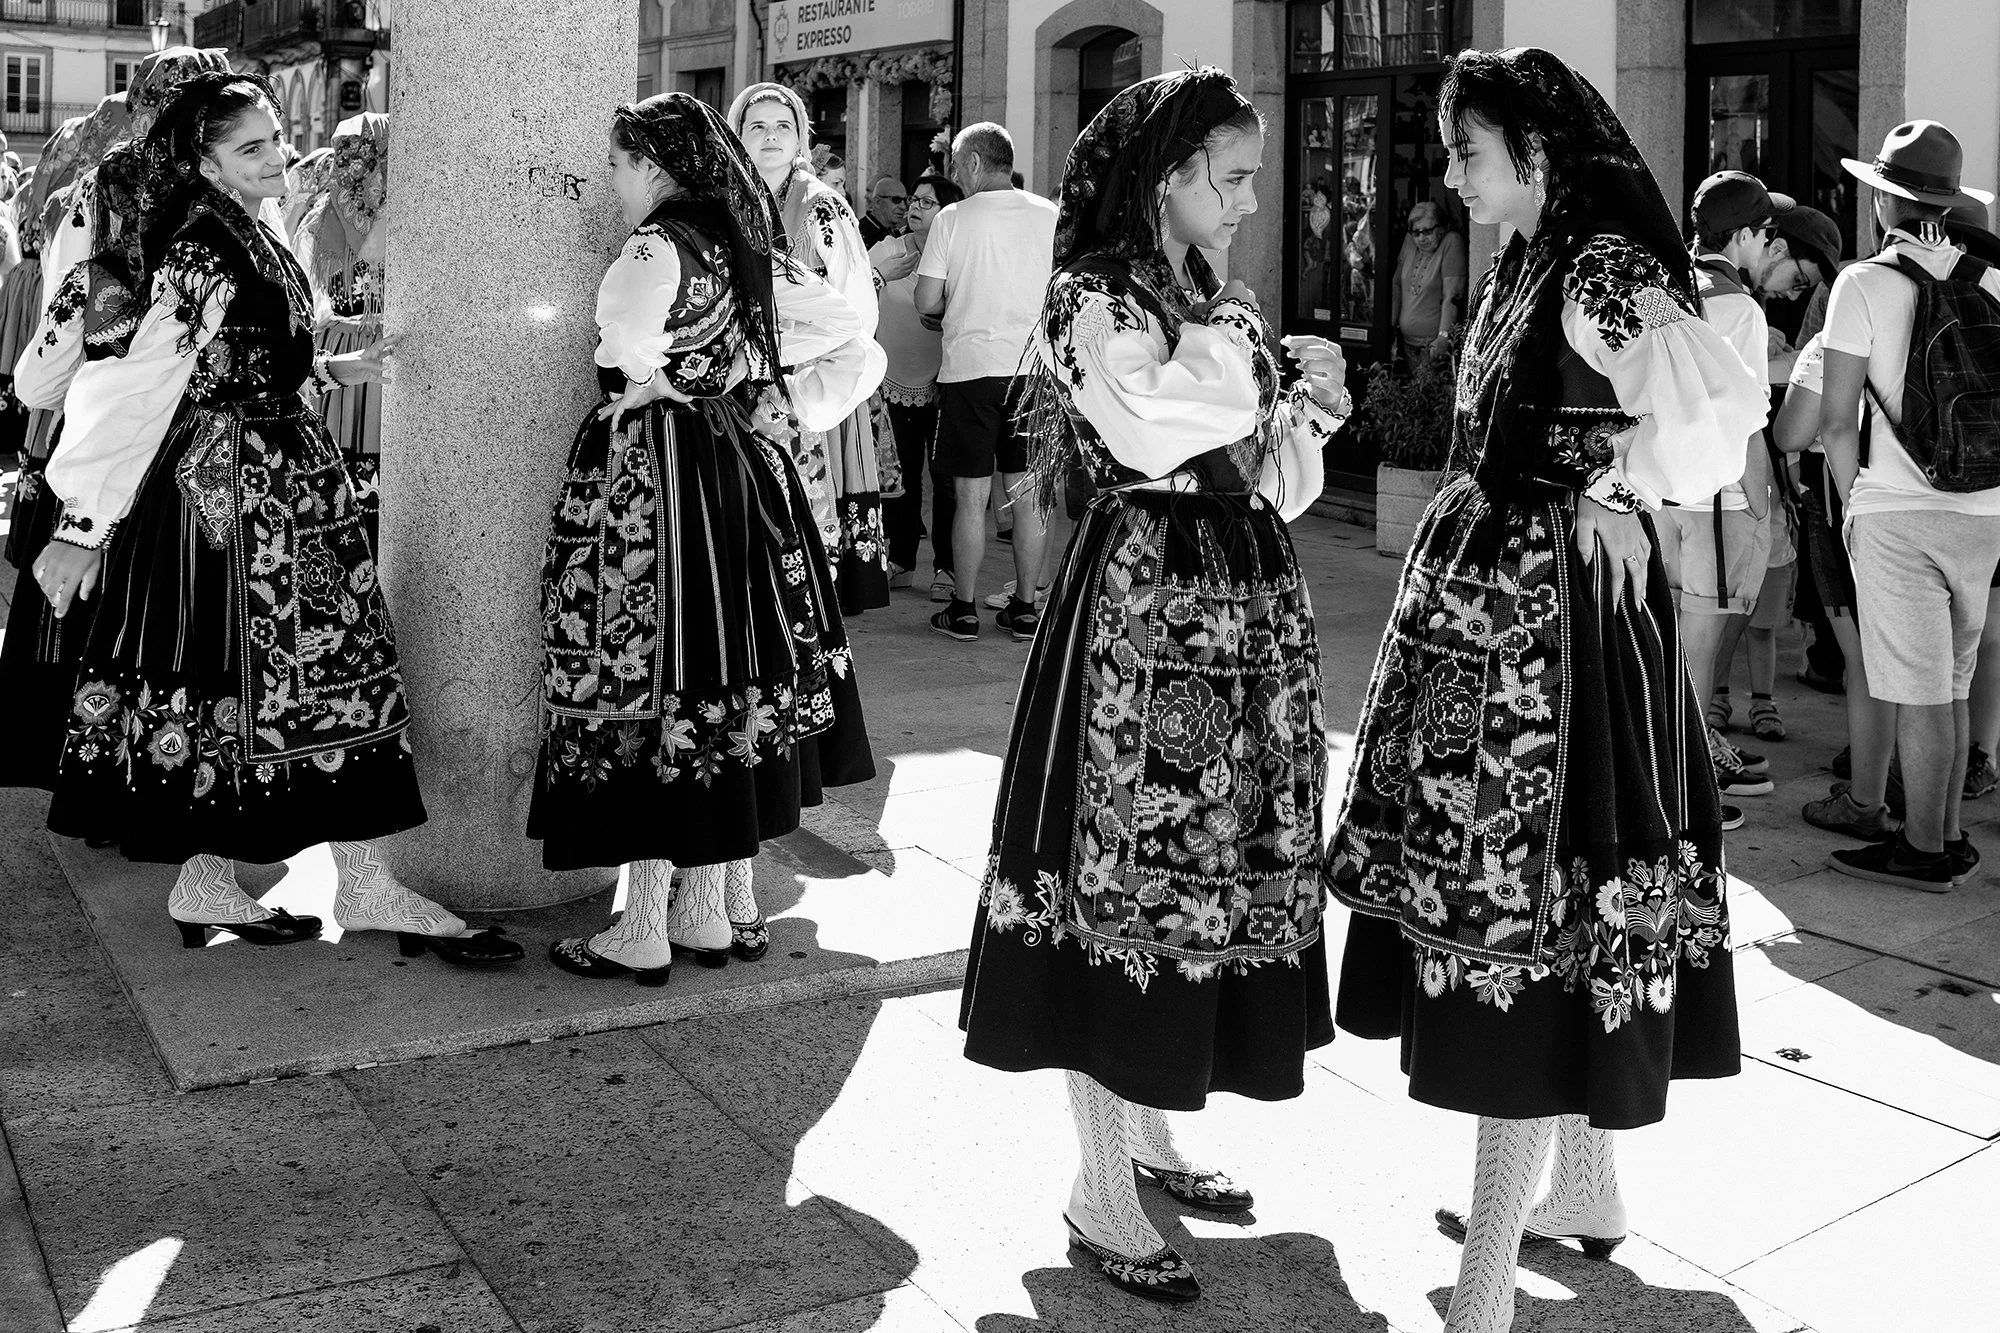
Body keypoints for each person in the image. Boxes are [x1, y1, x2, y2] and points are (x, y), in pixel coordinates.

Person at [1326, 48, 1760, 1333]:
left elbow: (1707, 402)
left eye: (1468, 153)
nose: (1451, 176)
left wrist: (1619, 487)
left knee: (1518, 909)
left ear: (1537, 156)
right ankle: (1585, 1182)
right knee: (1537, 895)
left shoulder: (1594, 272)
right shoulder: (1531, 263)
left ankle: (1483, 1289)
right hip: (1499, 608)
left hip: (1545, 637)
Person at [959, 67, 1350, 1303]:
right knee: (1122, 866)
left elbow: (1264, 477)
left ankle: (1148, 1128)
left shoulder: (1198, 304)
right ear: (1166, 174)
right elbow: (1144, 431)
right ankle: (1096, 1178)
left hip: (1239, 594)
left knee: (1209, 864)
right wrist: (1256, 365)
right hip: (1141, 605)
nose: (1245, 203)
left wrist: (1306, 419)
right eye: (1228, 177)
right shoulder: (1090, 295)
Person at [20, 72, 519, 966]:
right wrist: (80, 527)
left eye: (276, 136)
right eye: (251, 146)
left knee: (304, 683)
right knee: (287, 682)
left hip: (288, 485)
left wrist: (340, 366)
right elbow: (133, 385)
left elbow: (254, 356)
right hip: (235, 503)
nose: (276, 154)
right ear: (204, 162)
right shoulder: (200, 249)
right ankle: (319, 882)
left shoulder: (252, 228)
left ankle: (271, 881)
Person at [531, 93, 878, 981]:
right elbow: (847, 325)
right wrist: (753, 382)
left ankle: (643, 923)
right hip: (732, 465)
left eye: (617, 166)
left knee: (644, 676)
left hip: (651, 477)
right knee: (717, 667)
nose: (612, 184)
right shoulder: (738, 241)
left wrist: (660, 380)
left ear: (651, 165)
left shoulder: (653, 247)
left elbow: (624, 349)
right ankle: (710, 908)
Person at [1820, 120, 2000, 891]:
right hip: (1985, 511)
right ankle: (1947, 832)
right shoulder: (1983, 280)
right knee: (1952, 685)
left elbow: (1833, 421)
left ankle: (1923, 848)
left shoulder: (1862, 283)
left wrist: (1850, 502)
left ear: (1882, 201)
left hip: (1898, 509)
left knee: (1919, 692)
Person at [728, 82, 890, 615]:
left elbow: (857, 311)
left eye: (783, 126)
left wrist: (812, 382)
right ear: (738, 133)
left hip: (804, 388)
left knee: (803, 510)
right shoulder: (727, 203)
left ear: (800, 136)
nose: (770, 137)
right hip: (734, 384)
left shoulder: (821, 207)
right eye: (758, 126)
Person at [913, 123, 1055, 642]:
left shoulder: (953, 218)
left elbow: (927, 301)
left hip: (971, 371)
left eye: (954, 164)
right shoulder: (1050, 216)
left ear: (973, 163)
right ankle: (1023, 607)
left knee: (971, 498)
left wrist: (953, 308)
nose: (953, 174)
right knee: (1029, 495)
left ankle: (966, 608)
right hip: (1035, 372)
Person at [1671, 170, 1784, 817]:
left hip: (1662, 497)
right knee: (1700, 653)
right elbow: (1745, 416)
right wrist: (1760, 503)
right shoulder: (1740, 307)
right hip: (1716, 500)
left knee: (1671, 646)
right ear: (1739, 234)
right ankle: (1686, 793)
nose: (1766, 243)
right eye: (1764, 232)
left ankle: (1693, 757)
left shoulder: (1666, 288)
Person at [1778, 331, 1903, 841]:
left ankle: (1867, 801)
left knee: (1865, 661)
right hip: (1958, 505)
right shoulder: (1967, 309)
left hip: (1855, 508)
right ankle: (1929, 813)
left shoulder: (1840, 335)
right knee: (1940, 669)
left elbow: (1794, 432)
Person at [293, 113, 387, 546]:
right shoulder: (408, 217)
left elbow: (307, 295)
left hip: (335, 346)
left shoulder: (319, 218)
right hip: (384, 350)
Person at [870, 172, 961, 589]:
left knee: (947, 480)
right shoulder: (887, 251)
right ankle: (901, 560)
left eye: (927, 203)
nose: (915, 209)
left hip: (945, 380)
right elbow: (857, 297)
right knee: (901, 475)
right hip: (893, 378)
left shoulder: (960, 255)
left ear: (949, 213)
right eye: (915, 201)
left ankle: (947, 566)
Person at [1390, 199, 1465, 362]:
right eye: (1416, 232)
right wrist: (1391, 327)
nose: (1422, 238)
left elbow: (1453, 296)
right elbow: (1396, 284)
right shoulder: (1409, 242)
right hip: (1406, 345)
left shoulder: (1451, 242)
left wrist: (1444, 337)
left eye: (1428, 231)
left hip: (1433, 348)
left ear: (1441, 229)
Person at [859, 173, 906, 247]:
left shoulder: (895, 232)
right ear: (878, 202)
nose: (903, 206)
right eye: (896, 199)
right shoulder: (861, 235)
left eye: (905, 200)